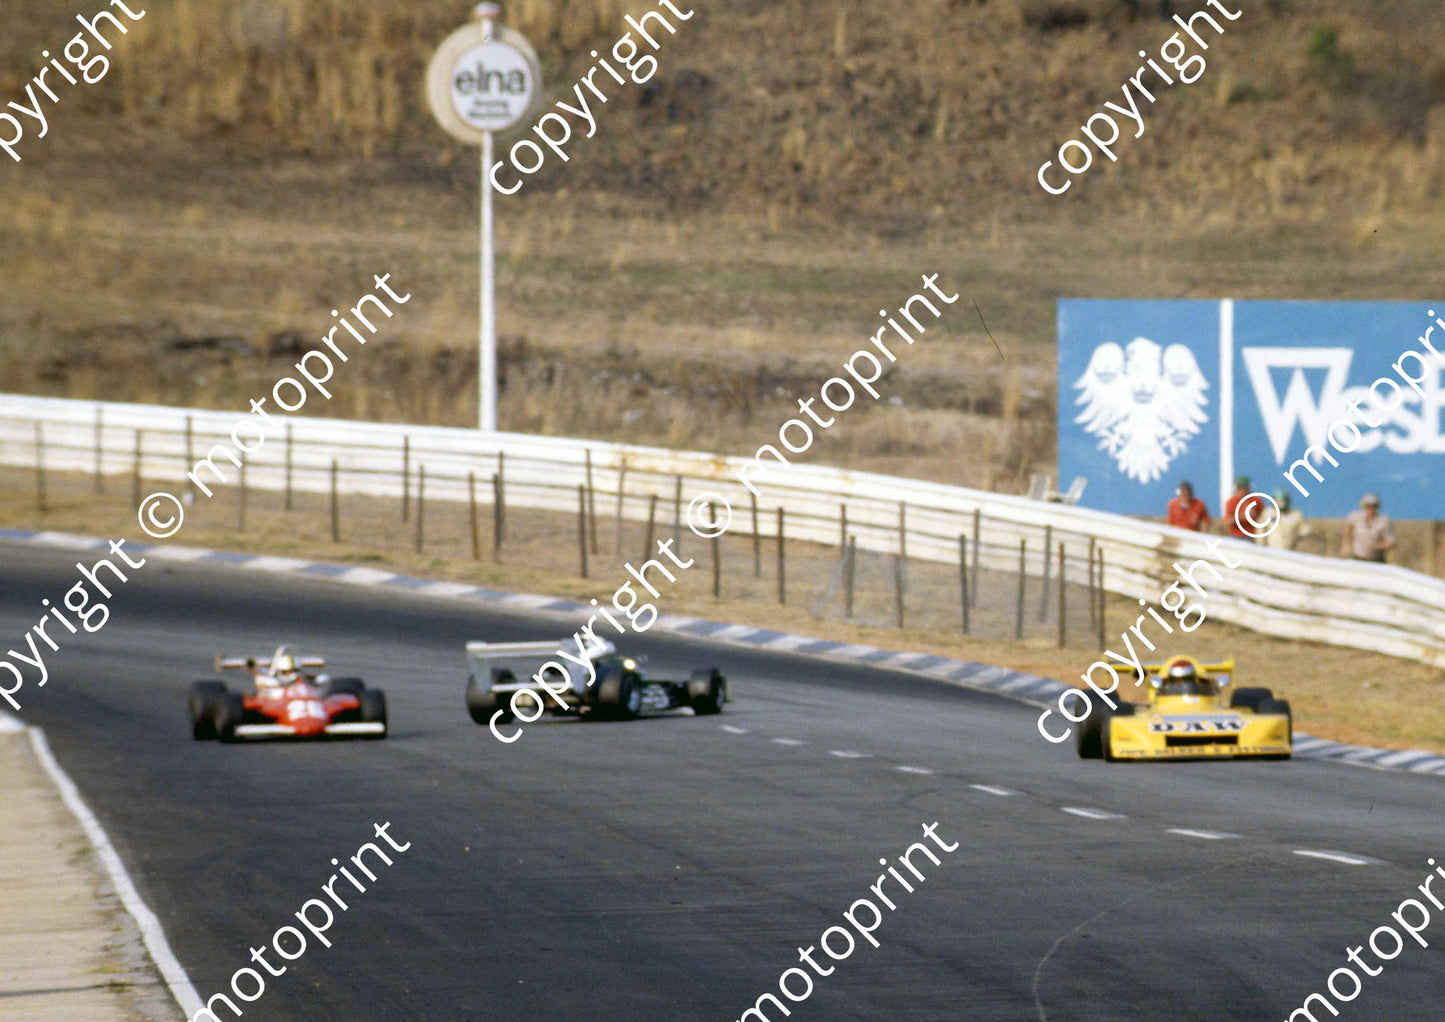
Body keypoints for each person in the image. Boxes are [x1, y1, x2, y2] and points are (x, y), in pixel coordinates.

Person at [1341, 493, 1394, 562]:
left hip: (1375, 559)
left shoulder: (1383, 521)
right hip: (1357, 557)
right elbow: (1347, 526)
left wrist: (1376, 547)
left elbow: (1391, 542)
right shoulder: (1355, 516)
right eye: (1368, 506)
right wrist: (1346, 544)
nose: (1370, 508)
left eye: (1373, 506)